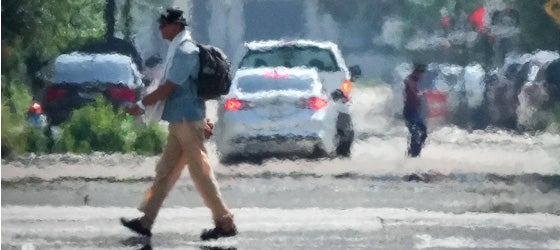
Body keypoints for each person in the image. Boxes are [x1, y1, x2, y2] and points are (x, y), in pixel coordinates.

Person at [120, 8, 237, 241]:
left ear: (176, 26)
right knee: (165, 171)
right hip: (179, 121)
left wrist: (141, 105)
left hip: (187, 122)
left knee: (201, 173)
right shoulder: (177, 50)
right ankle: (146, 221)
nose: (161, 29)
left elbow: (168, 88)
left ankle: (224, 222)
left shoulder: (185, 52)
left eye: (164, 24)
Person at [403, 63, 428, 157]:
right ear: (418, 73)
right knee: (416, 133)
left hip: (416, 111)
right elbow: (412, 95)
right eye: (422, 74)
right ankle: (412, 154)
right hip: (410, 111)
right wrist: (420, 94)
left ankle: (415, 152)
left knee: (423, 131)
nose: (423, 76)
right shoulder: (409, 81)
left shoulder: (414, 81)